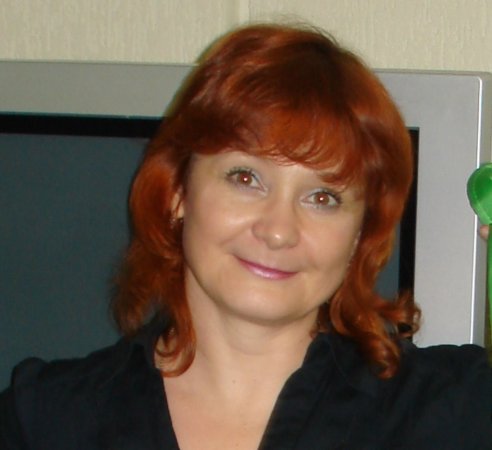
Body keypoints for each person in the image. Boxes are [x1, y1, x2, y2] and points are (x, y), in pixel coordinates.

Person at [1, 23, 491, 450]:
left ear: (360, 233)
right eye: (245, 178)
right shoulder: (45, 419)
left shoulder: (455, 410)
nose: (277, 231)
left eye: (323, 197)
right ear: (178, 192)